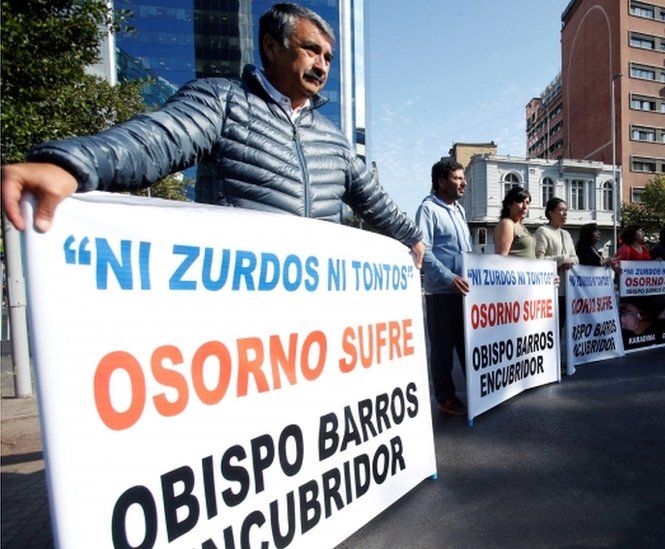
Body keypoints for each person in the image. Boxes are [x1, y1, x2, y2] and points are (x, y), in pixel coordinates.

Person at [1, 3, 424, 268]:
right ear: (272, 48)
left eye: (328, 56)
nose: (322, 64)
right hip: (242, 307)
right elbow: (157, 139)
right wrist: (69, 165)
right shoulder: (224, 102)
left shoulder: (332, 139)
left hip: (317, 310)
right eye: (311, 49)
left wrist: (412, 238)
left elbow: (375, 200)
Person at [416, 159, 471, 417]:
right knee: (442, 349)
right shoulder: (428, 209)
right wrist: (450, 277)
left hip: (465, 293)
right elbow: (423, 251)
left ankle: (476, 390)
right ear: (441, 181)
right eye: (458, 178)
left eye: (463, 178)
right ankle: (445, 398)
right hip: (442, 293)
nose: (464, 183)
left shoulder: (458, 210)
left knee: (467, 343)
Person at [535, 197, 579, 326]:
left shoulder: (566, 234)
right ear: (550, 212)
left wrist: (571, 261)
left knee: (564, 326)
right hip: (551, 291)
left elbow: (575, 257)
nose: (565, 214)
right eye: (560, 210)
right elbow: (538, 260)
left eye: (566, 210)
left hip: (568, 290)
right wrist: (563, 259)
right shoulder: (543, 231)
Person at [494, 185, 534, 257]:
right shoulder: (507, 224)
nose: (525, 207)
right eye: (520, 202)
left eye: (527, 203)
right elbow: (501, 258)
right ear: (509, 204)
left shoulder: (521, 226)